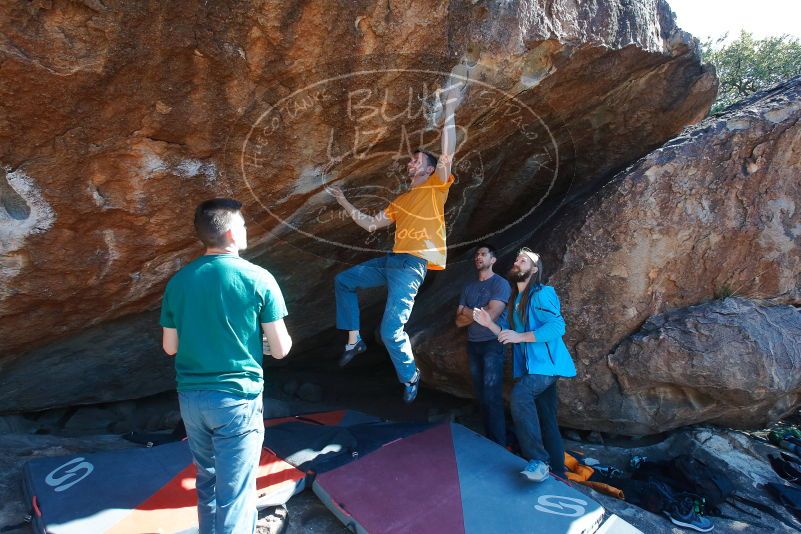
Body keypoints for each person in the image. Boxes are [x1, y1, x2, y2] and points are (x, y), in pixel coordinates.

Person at [160, 198, 292, 534]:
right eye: (244, 225)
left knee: (207, 480)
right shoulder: (259, 278)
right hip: (237, 399)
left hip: (191, 398)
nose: (247, 230)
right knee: (236, 493)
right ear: (232, 232)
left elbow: (169, 347)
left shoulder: (178, 282)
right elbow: (280, 349)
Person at [327, 82, 464, 403]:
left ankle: (410, 375)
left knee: (391, 331)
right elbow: (371, 223)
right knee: (343, 280)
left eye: (416, 160)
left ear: (430, 169)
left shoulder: (436, 186)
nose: (410, 163)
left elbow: (448, 152)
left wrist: (450, 111)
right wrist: (344, 201)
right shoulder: (402, 199)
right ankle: (353, 340)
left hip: (411, 267)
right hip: (392, 260)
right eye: (411, 160)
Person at [473, 248, 576, 482]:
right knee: (547, 419)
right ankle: (558, 473)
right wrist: (489, 324)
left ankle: (539, 460)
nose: (517, 263)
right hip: (534, 369)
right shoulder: (517, 300)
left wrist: (520, 337)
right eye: (517, 259)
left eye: (524, 261)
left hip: (547, 366)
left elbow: (557, 327)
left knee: (520, 394)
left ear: (534, 269)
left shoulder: (542, 293)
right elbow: (508, 334)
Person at [455, 243, 511, 446]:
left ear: (492, 260)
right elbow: (458, 320)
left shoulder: (500, 284)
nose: (478, 257)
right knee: (480, 393)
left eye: (483, 254)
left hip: (492, 344)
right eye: (477, 254)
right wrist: (477, 313)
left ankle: (499, 443)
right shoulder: (468, 287)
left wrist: (468, 311)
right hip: (473, 344)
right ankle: (490, 438)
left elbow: (491, 315)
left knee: (492, 394)